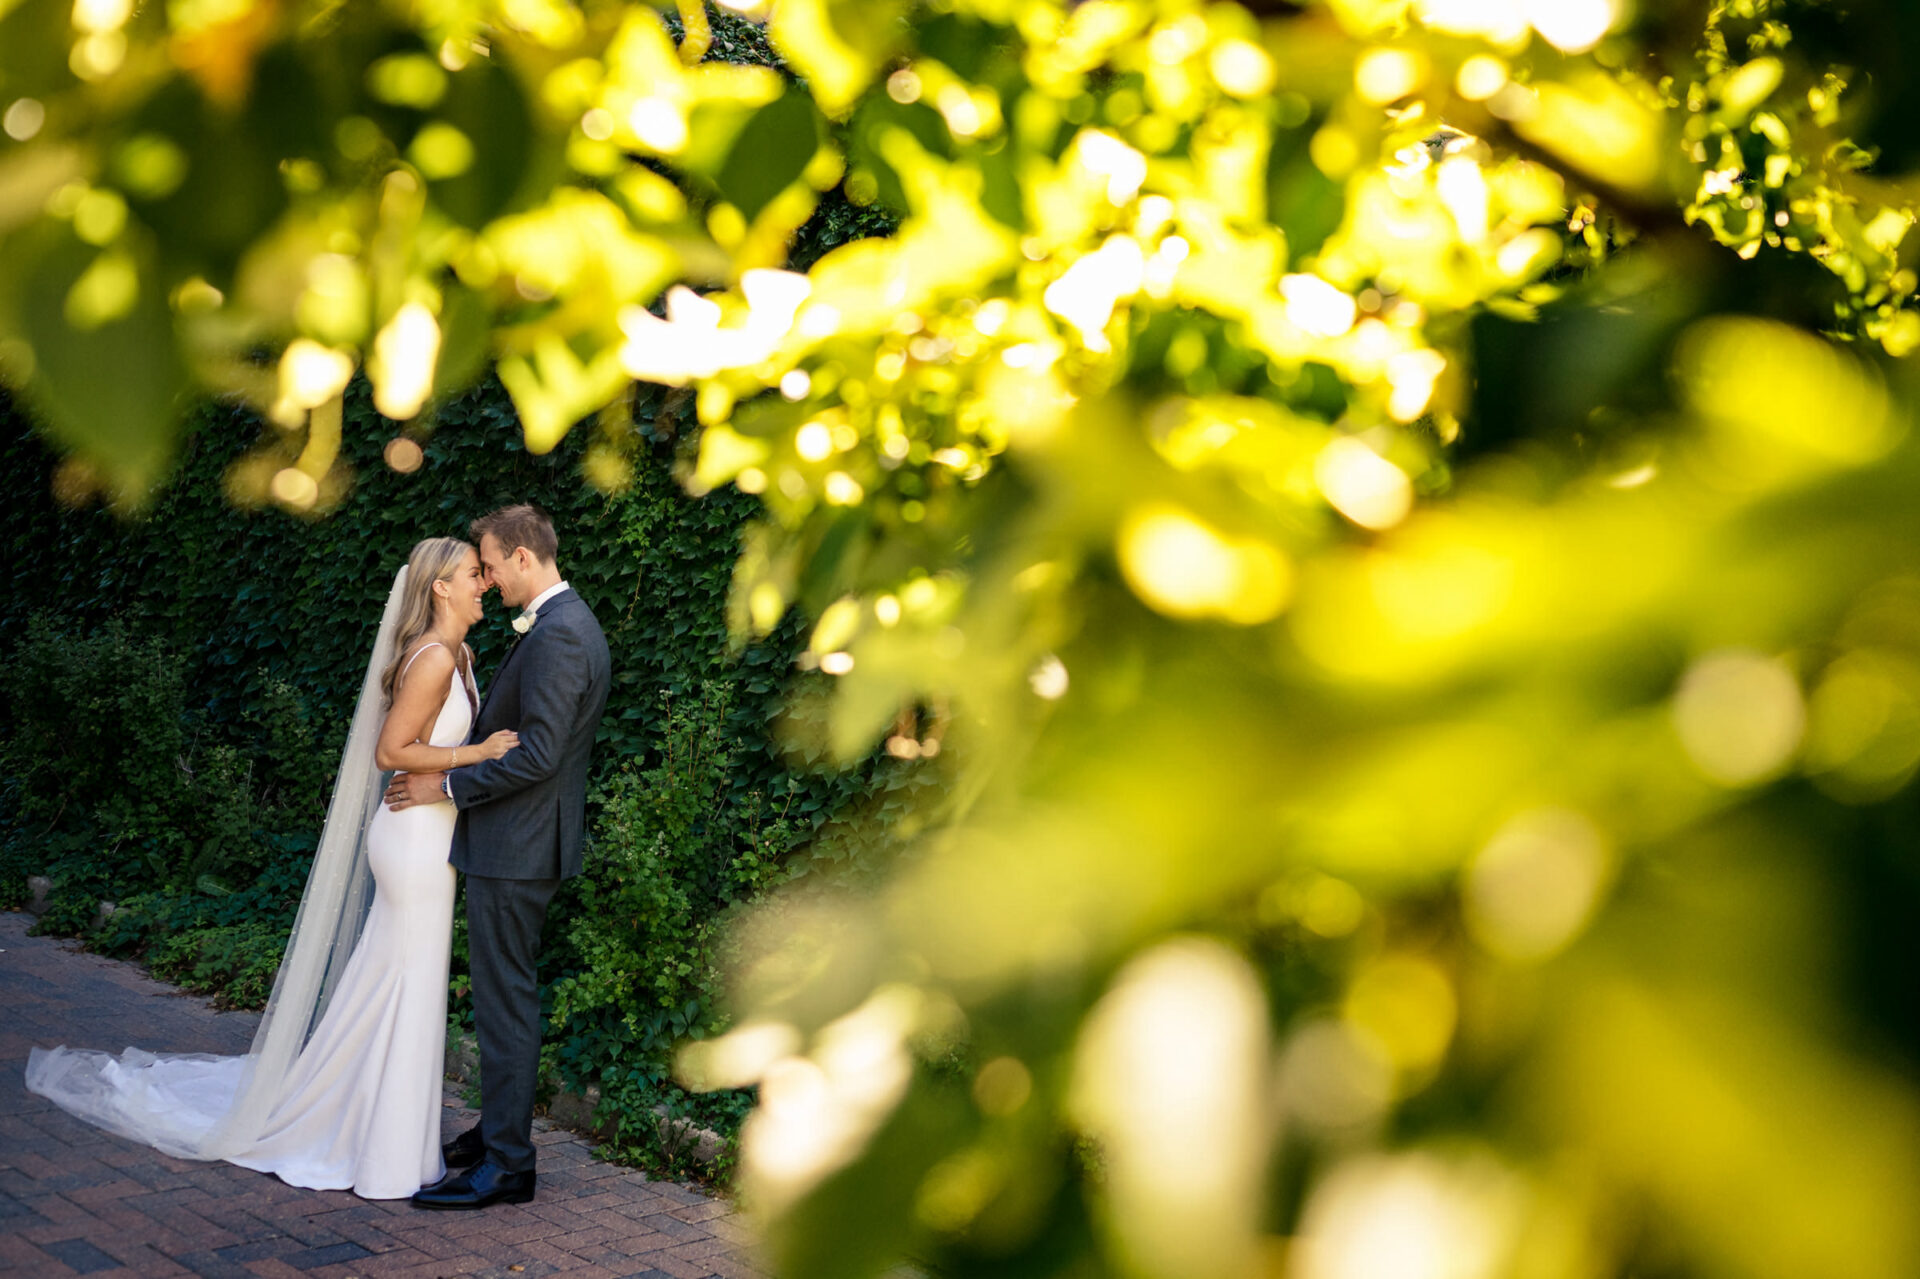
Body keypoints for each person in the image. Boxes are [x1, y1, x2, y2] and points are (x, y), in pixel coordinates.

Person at [25, 537, 518, 1200]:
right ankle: (376, 1148)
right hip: (412, 841)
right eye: (470, 574)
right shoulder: (430, 658)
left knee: (401, 982)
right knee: (401, 981)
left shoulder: (461, 654)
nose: (483, 582)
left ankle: (384, 1134)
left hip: (435, 835)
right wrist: (478, 752)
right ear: (439, 588)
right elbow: (390, 751)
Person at [384, 505, 611, 1211]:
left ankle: (509, 1166)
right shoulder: (560, 625)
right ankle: (496, 1132)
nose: (485, 576)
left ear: (521, 557)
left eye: (488, 563)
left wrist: (444, 781)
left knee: (505, 1003)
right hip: (515, 844)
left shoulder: (560, 635)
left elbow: (539, 755)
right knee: (505, 998)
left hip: (515, 847)